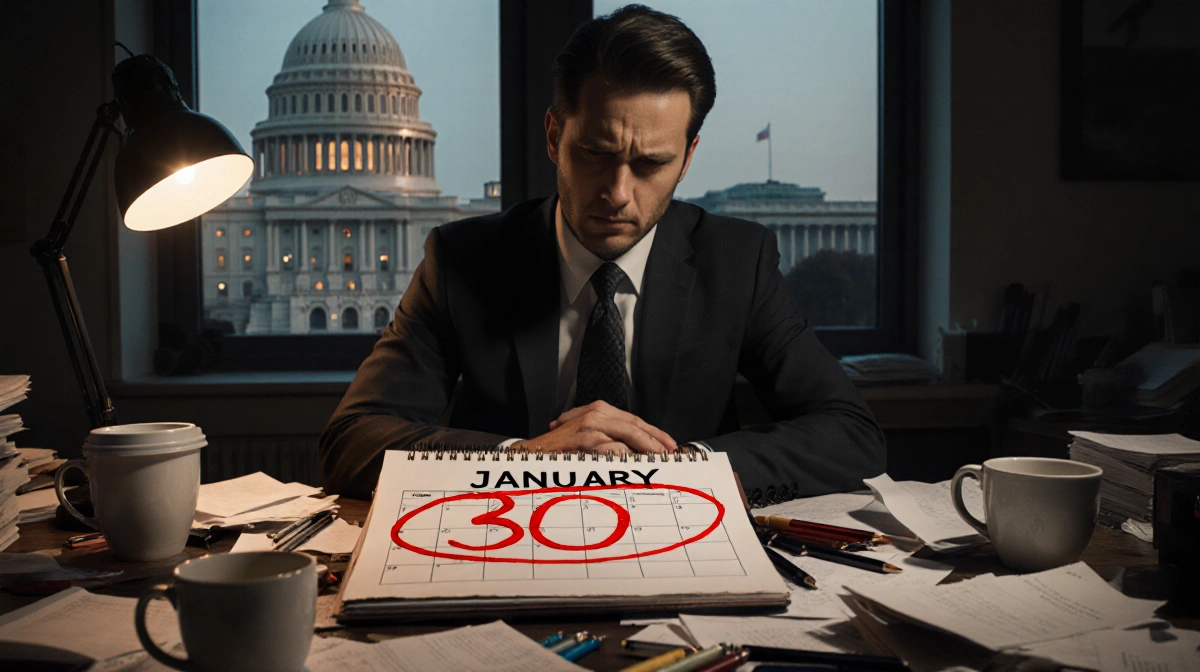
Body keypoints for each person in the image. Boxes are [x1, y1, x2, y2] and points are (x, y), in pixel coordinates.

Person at [319, 4, 885, 501]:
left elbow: (850, 434)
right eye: (594, 153)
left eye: (650, 164)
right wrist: (522, 460)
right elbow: (353, 439)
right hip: (505, 547)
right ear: (552, 136)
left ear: (687, 158)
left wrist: (684, 469)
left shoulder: (737, 260)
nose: (617, 193)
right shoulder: (463, 260)